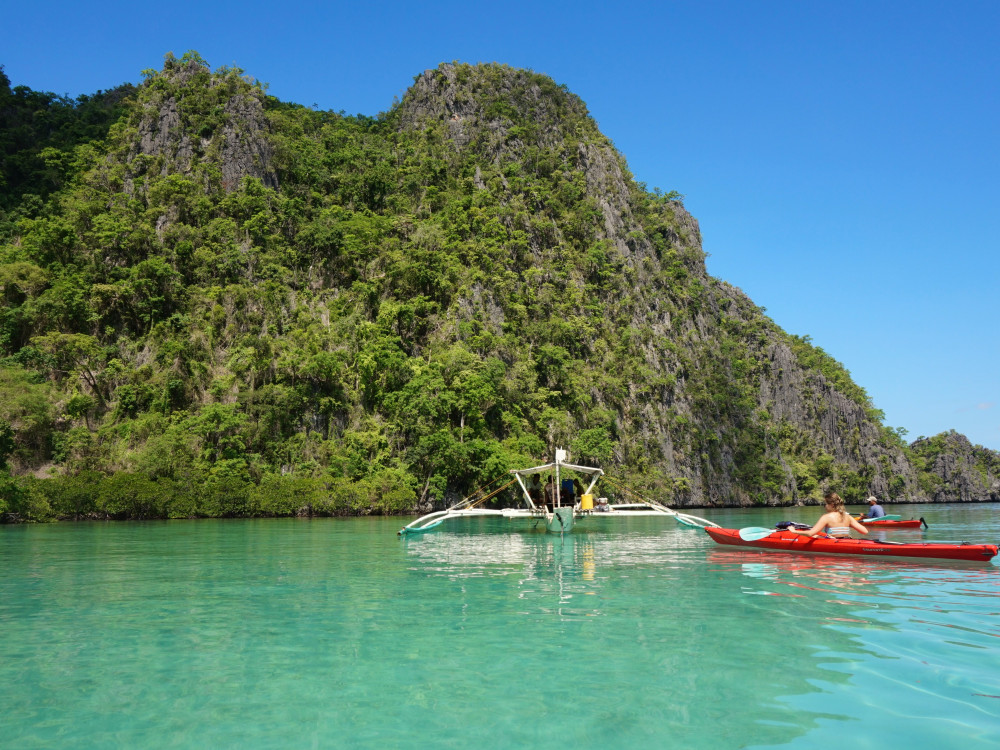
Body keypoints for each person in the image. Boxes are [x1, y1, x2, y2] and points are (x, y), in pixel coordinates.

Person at [789, 492, 868, 539]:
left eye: (826, 504)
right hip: (845, 540)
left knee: (814, 536)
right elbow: (865, 531)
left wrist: (794, 531)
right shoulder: (848, 517)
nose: (825, 506)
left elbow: (810, 533)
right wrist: (846, 526)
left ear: (832, 505)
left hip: (832, 542)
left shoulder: (826, 517)